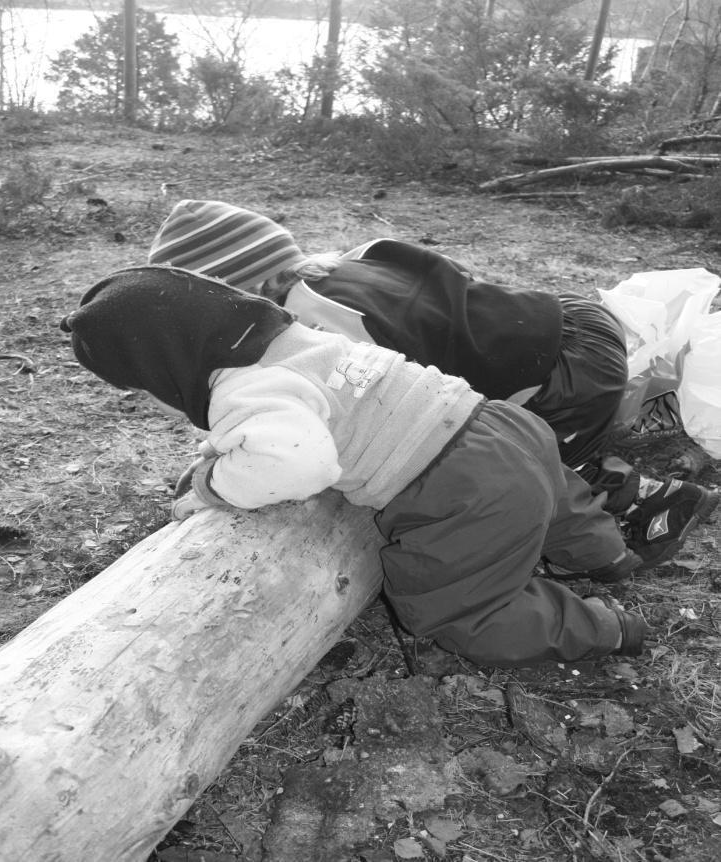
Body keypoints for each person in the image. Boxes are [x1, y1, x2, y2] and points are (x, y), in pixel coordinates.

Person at [61, 265, 652, 668]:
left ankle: (603, 627)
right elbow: (320, 410)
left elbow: (298, 461)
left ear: (162, 368)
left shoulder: (246, 387)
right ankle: (609, 555)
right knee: (560, 504)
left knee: (453, 611)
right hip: (499, 423)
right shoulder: (296, 341)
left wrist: (214, 486)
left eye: (143, 389)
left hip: (463, 486)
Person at [147, 199, 719, 570]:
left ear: (233, 292)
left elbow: (384, 403)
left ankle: (654, 501)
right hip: (563, 317)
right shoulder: (352, 257)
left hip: (568, 376)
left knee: (517, 459)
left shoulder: (321, 324)